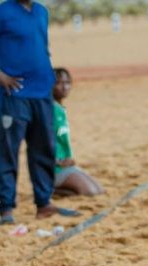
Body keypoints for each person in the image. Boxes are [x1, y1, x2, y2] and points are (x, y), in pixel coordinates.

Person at [0, 0, 79, 225]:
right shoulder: (0, 13)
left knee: (43, 148)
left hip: (42, 94)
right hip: (14, 94)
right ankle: (6, 209)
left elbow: (40, 46)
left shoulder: (41, 11)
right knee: (9, 151)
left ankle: (44, 203)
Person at [51, 68, 104, 197]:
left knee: (100, 191)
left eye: (67, 83)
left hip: (66, 166)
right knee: (90, 193)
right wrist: (57, 162)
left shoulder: (60, 109)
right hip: (54, 168)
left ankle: (54, 190)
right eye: (59, 83)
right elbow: (38, 142)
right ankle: (48, 189)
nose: (65, 87)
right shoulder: (49, 110)